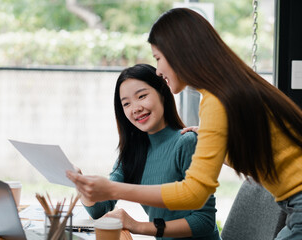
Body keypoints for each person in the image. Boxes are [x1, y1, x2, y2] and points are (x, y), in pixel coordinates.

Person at [67, 8, 302, 239]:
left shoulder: (215, 101)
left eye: (158, 58)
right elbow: (270, 152)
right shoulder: (227, 90)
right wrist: (216, 142)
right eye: (126, 103)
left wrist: (115, 192)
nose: (158, 70)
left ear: (181, 52)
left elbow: (194, 195)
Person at [79, 64, 220, 239]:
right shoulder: (132, 152)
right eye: (127, 103)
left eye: (142, 96)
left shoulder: (187, 142)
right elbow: (100, 209)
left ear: (162, 92)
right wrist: (81, 187)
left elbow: (204, 221)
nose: (135, 108)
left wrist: (137, 226)